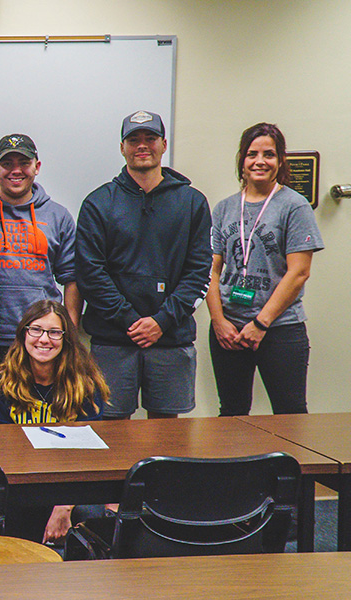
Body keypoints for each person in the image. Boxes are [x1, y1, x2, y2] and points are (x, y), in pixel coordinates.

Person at [76, 110, 211, 419]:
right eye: (133, 139)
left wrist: (161, 321)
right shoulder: (99, 203)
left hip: (171, 339)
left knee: (168, 437)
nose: (142, 146)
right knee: (109, 430)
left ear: (163, 144)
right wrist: (130, 321)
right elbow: (90, 273)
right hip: (112, 342)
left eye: (150, 138)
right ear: (122, 147)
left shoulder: (192, 203)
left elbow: (199, 271)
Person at [206, 123, 322, 415]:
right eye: (251, 154)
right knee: (231, 413)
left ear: (280, 160)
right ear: (241, 161)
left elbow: (299, 273)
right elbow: (211, 268)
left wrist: (260, 324)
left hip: (279, 329)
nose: (259, 161)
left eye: (268, 154)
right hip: (228, 330)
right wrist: (218, 320)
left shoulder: (294, 206)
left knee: (290, 413)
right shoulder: (224, 208)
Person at [0, 300, 109, 543]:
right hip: (20, 482)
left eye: (54, 332)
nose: (44, 339)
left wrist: (64, 506)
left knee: (89, 514)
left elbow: (89, 455)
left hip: (70, 482)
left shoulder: (85, 384)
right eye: (36, 329)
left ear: (66, 339)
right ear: (23, 334)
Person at [0, 134, 80, 422]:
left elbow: (71, 278)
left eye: (24, 162)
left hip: (41, 342)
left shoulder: (58, 216)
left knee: (41, 421)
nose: (16, 170)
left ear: (37, 166)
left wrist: (68, 330)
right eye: (7, 163)